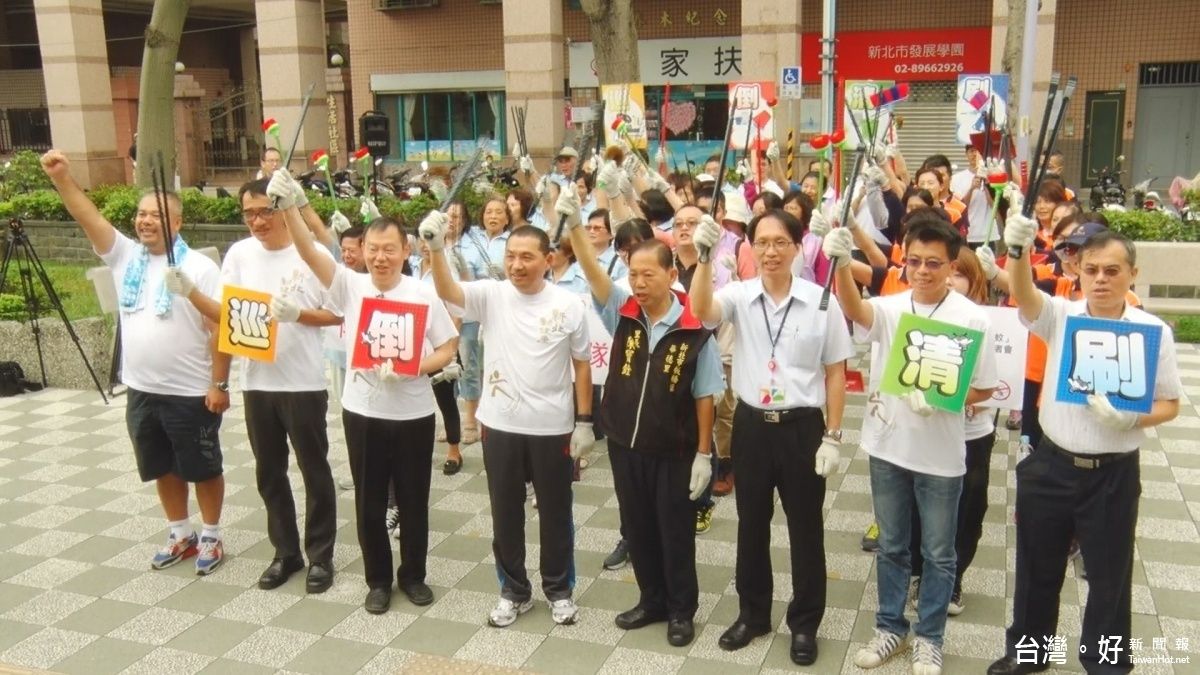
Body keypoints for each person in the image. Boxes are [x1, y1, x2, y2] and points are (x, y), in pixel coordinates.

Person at [985, 221, 1180, 675]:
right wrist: (1018, 252)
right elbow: (1024, 295)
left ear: (1133, 274)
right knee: (1036, 570)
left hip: (1112, 474)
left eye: (1112, 270)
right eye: (1091, 270)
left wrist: (1133, 418)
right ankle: (1031, 654)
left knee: (1110, 578)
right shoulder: (1061, 315)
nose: (1101, 279)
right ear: (1078, 272)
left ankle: (1106, 664)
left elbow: (1169, 403)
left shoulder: (1152, 332)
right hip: (1052, 463)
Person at [273, 171, 459, 614]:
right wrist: (291, 205)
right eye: (372, 249)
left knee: (413, 501)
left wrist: (414, 368)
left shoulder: (422, 294)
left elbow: (448, 346)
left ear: (405, 251)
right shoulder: (349, 285)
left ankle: (413, 575)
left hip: (413, 414)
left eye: (389, 249)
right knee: (369, 502)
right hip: (363, 412)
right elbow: (308, 250)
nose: (379, 257)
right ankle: (378, 580)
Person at [40, 149, 228, 575]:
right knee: (160, 464)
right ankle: (180, 531)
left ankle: (212, 533)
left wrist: (219, 384)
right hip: (142, 388)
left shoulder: (199, 266)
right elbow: (89, 217)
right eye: (141, 214)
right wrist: (62, 179)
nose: (145, 221)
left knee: (202, 466)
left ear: (177, 223)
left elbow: (220, 326)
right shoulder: (125, 256)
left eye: (156, 215)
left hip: (190, 390)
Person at [826, 214, 998, 675]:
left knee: (939, 553)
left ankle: (929, 637)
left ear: (951, 265)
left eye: (934, 263)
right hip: (888, 449)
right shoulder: (891, 306)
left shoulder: (972, 318)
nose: (923, 270)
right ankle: (890, 628)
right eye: (915, 261)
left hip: (941, 457)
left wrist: (946, 399)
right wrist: (841, 265)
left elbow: (986, 388)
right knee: (892, 546)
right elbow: (856, 311)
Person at [690, 208, 854, 666]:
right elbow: (702, 311)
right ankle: (753, 614)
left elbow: (836, 372)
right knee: (751, 524)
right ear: (750, 247)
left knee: (806, 529)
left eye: (781, 242)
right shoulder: (740, 295)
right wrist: (703, 258)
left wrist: (833, 436)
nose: (770, 251)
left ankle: (805, 623)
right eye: (761, 242)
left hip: (802, 428)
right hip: (752, 427)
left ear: (798, 247)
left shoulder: (821, 301)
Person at [562, 189, 725, 648]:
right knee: (637, 527)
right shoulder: (625, 314)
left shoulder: (694, 329)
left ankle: (681, 610)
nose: (638, 283)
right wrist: (574, 227)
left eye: (648, 274)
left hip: (674, 451)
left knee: (675, 531)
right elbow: (595, 277)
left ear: (671, 275)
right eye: (633, 274)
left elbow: (706, 396)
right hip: (625, 444)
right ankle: (651, 599)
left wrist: (703, 454)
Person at [166, 177, 342, 595]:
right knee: (269, 472)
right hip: (258, 383)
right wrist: (191, 293)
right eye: (249, 214)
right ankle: (286, 552)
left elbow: (338, 313)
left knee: (314, 470)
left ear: (282, 209)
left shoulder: (312, 254)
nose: (257, 221)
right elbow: (227, 314)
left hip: (303, 382)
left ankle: (321, 555)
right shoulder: (241, 254)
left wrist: (298, 315)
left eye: (265, 211)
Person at [421, 213, 593, 629]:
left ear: (548, 260)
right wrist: (437, 248)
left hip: (552, 427)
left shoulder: (569, 304)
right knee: (505, 513)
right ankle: (514, 590)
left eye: (527, 257)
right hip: (499, 425)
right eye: (511, 256)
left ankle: (559, 589)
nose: (517, 265)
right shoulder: (492, 294)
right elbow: (448, 291)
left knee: (556, 512)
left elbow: (582, 364)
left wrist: (585, 421)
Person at [950, 145, 997, 249]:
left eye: (978, 151)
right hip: (966, 235)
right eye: (971, 151)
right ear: (966, 154)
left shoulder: (993, 178)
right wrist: (971, 189)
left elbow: (995, 206)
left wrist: (987, 185)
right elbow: (960, 208)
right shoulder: (956, 178)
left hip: (988, 235)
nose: (975, 154)